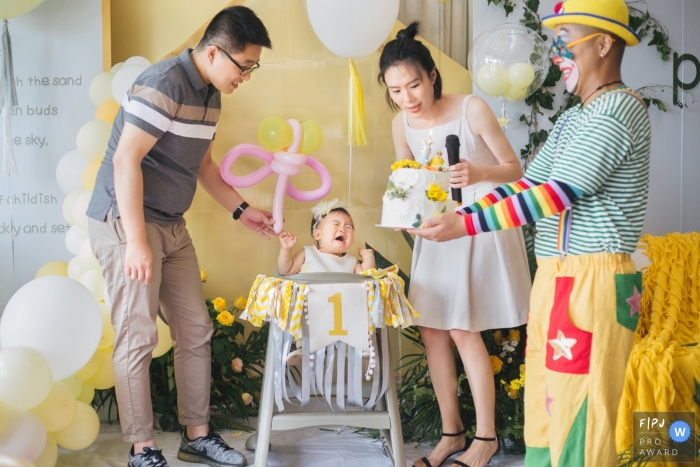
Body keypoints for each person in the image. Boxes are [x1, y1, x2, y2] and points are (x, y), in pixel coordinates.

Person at [409, 1, 651, 465]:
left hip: (594, 281)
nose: (559, 53)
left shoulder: (619, 109)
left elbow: (558, 193)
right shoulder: (574, 117)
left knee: (583, 411)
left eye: (567, 41)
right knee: (546, 403)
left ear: (603, 43)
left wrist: (466, 224)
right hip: (557, 278)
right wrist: (464, 215)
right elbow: (527, 184)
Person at [86, 6, 274, 467]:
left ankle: (197, 436)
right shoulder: (165, 82)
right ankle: (142, 448)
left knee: (195, 328)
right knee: (138, 334)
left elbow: (204, 166)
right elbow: (125, 160)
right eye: (244, 66)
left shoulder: (212, 94)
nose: (247, 76)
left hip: (172, 222)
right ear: (214, 52)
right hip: (126, 220)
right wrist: (135, 241)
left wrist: (241, 209)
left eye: (252, 67)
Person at [378, 21, 532, 467]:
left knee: (464, 328)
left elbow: (515, 169)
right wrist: (405, 221)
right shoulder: (400, 123)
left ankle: (486, 439)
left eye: (414, 85)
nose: (408, 97)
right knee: (431, 330)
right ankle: (451, 434)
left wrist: (478, 172)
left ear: (432, 77)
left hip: (475, 227)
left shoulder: (472, 109)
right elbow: (405, 180)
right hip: (435, 232)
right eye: (397, 90)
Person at [277, 199, 376, 365]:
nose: (342, 229)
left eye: (348, 227)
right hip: (313, 308)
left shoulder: (351, 262)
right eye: (336, 224)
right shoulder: (307, 253)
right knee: (302, 313)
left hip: (343, 312)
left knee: (359, 312)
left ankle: (359, 347)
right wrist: (286, 250)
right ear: (318, 235)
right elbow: (286, 270)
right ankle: (301, 347)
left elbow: (367, 277)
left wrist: (368, 257)